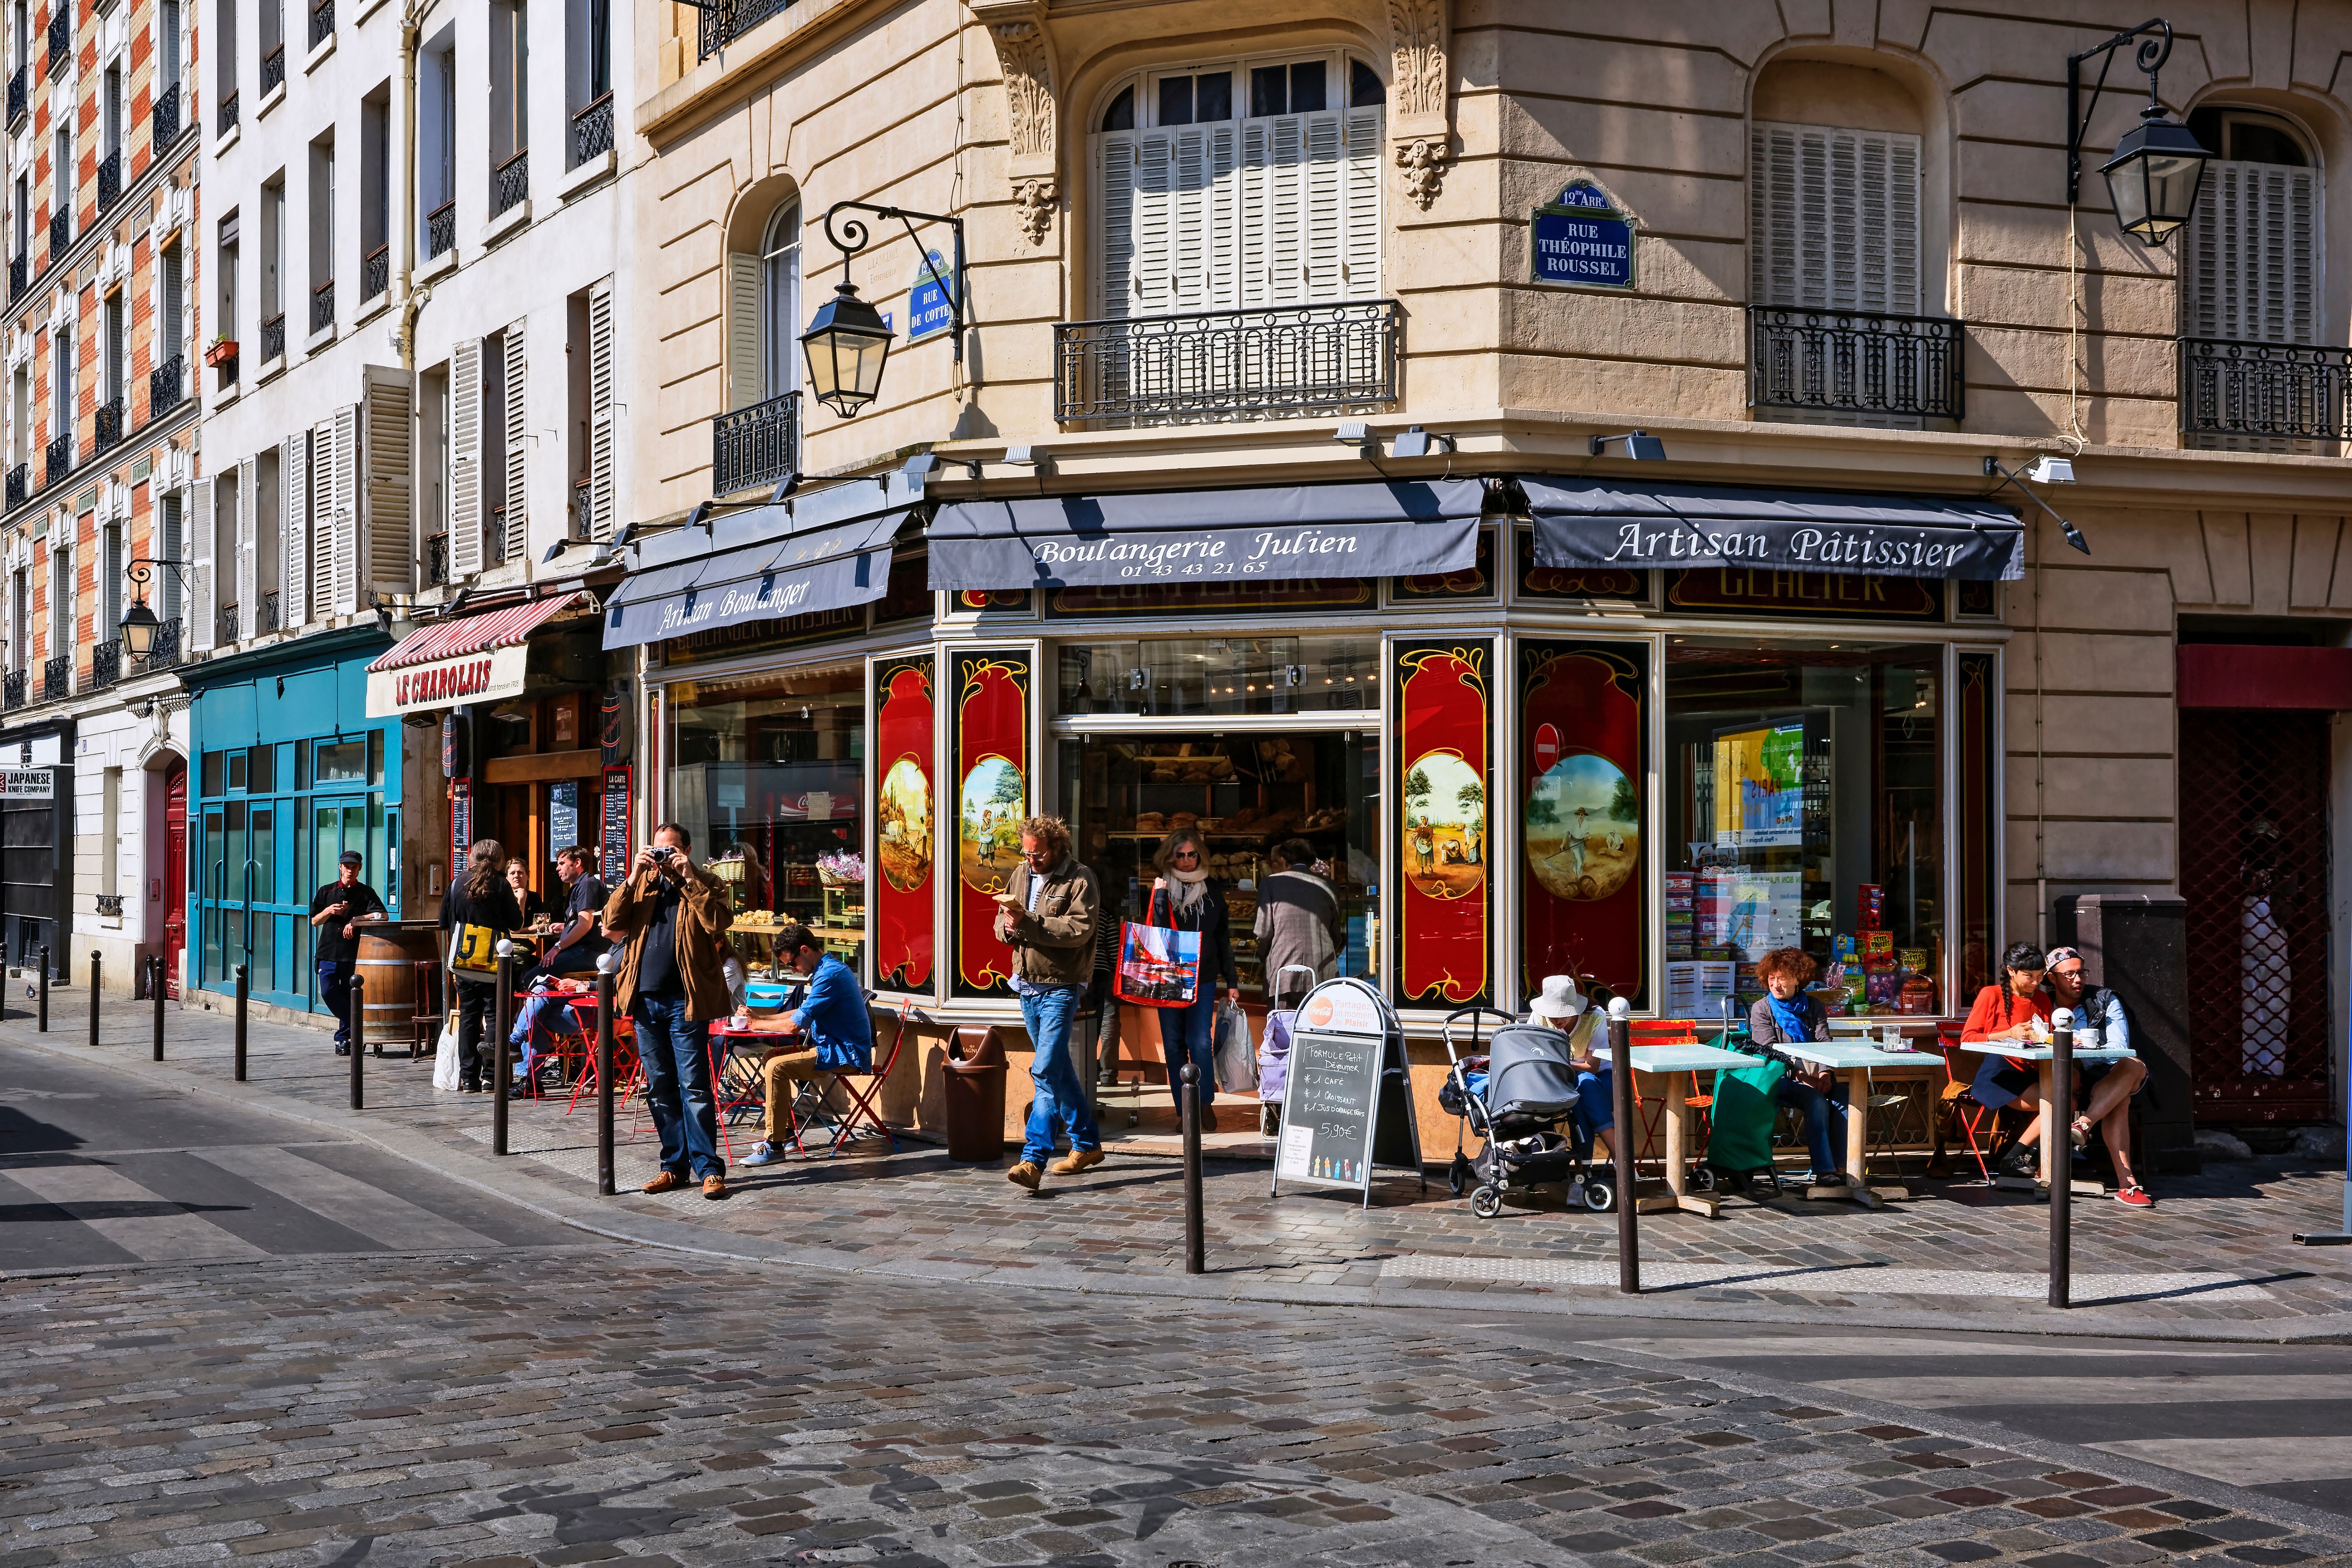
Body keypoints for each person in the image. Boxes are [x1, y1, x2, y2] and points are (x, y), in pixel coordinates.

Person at [603, 822, 734, 1200]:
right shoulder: (643, 881)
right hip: (645, 1000)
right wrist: (632, 877)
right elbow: (611, 923)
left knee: (694, 1087)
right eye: (658, 849)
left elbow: (718, 922)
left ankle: (708, 1169)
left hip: (686, 1002)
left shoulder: (706, 880)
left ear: (687, 850)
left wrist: (688, 877)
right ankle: (673, 1167)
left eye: (671, 850)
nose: (663, 857)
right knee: (660, 1088)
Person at [995, 815, 1104, 1191]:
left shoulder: (1081, 879)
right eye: (1026, 854)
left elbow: (1078, 930)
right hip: (1025, 984)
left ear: (1057, 847)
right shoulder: (1021, 875)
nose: (1030, 861)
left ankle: (1033, 1159)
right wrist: (1007, 927)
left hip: (1061, 985)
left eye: (1037, 855)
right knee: (1058, 1070)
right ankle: (1087, 1143)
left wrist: (1027, 922)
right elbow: (999, 922)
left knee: (1043, 1071)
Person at [739, 922, 873, 1167]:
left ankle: (775, 1144)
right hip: (831, 1046)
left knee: (777, 1067)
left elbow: (794, 1027)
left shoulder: (830, 975)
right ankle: (787, 1133)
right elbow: (800, 1012)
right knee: (771, 1057)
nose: (794, 970)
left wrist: (758, 1025)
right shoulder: (826, 970)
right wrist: (759, 1019)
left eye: (792, 963)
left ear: (805, 950)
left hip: (845, 1053)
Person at [1144, 827, 1239, 1131]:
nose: (1186, 861)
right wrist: (1160, 896)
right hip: (1168, 976)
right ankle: (1184, 1110)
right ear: (1169, 856)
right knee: (1173, 1044)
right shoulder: (1162, 887)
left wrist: (1232, 980)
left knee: (1198, 1040)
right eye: (1180, 855)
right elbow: (1157, 931)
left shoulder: (1211, 890)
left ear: (1200, 855)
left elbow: (1222, 937)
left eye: (1191, 854)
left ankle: (1204, 1104)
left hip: (1203, 975)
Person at [2043, 946, 2154, 1207]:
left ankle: (2084, 1123)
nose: (2078, 980)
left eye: (2081, 973)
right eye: (2069, 975)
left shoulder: (2105, 999)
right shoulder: (2043, 1003)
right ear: (2052, 978)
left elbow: (2118, 1047)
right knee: (2119, 1099)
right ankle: (2127, 1184)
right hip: (2065, 1074)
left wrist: (2081, 1043)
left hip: (2108, 1070)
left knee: (2133, 1065)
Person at [1743, 947, 1851, 1186]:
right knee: (1816, 1100)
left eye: (1782, 979)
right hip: (1777, 1079)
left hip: (1814, 1076)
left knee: (1845, 1096)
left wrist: (1825, 1073)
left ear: (1798, 980)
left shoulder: (1814, 1007)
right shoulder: (1762, 1009)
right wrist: (1804, 1078)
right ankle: (1825, 1171)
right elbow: (1769, 1051)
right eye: (1772, 979)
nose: (1776, 985)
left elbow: (1825, 1042)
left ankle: (1844, 1168)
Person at [1960, 939, 2056, 1179]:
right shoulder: (1990, 995)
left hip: (2035, 1069)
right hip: (2001, 1073)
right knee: (2059, 1103)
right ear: (2011, 971)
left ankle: (2023, 1157)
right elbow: (1968, 1039)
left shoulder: (2043, 1000)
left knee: (2071, 1094)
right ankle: (2020, 1157)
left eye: (2040, 976)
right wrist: (2009, 1034)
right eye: (2029, 976)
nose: (2035, 983)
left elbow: (2048, 1037)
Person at [440, 839, 524, 1094]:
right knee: (494, 1015)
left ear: (472, 857)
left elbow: (445, 921)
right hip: (495, 961)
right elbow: (516, 923)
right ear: (500, 860)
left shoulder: (456, 883)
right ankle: (491, 1077)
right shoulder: (501, 884)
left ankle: (469, 1080)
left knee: (468, 1016)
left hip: (464, 961)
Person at [308, 850, 387, 1056]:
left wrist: (356, 920)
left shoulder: (366, 893)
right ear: (340, 867)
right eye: (347, 866)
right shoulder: (326, 892)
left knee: (349, 994)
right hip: (327, 952)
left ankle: (344, 1039)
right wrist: (329, 911)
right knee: (328, 992)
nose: (350, 870)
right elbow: (315, 920)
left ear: (359, 869)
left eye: (354, 867)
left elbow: (383, 915)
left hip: (353, 953)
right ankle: (357, 1026)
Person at [1530, 974, 1611, 1168]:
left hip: (1601, 1077)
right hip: (1560, 1080)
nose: (1557, 1019)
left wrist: (1561, 1064)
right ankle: (1617, 1158)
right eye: (1553, 1014)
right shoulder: (1539, 1017)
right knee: (1582, 1093)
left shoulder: (1594, 1018)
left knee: (1584, 1088)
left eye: (1564, 1013)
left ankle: (1583, 1172)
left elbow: (1593, 1067)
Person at [1255, 837, 1343, 1004]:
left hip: (1283, 973)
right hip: (1321, 972)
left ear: (1283, 860)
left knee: (1282, 1025)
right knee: (1317, 1027)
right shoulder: (1330, 885)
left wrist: (1266, 958)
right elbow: (1336, 934)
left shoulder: (1270, 884)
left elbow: (1263, 933)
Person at [537, 846, 609, 977]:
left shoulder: (587, 884)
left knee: (536, 976)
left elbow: (585, 924)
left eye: (562, 863)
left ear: (577, 863)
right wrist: (566, 927)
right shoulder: (581, 885)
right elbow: (586, 922)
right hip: (581, 950)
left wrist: (557, 947)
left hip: (587, 952)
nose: (557, 868)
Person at [507, 859, 559, 926]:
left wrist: (521, 931)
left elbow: (544, 924)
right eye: (512, 873)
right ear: (507, 878)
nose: (517, 876)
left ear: (528, 877)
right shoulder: (503, 897)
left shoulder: (534, 897)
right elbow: (513, 927)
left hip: (529, 936)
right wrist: (521, 900)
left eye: (520, 872)